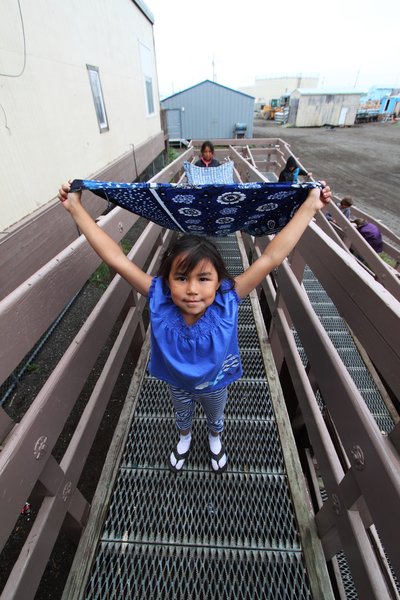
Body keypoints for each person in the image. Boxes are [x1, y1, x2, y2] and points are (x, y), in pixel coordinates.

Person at [58, 180, 331, 474]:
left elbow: (270, 257)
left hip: (216, 382)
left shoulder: (227, 299)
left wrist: (310, 206)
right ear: (167, 280)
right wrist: (76, 208)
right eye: (181, 278)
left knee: (216, 415)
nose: (191, 290)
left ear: (219, 281)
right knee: (182, 413)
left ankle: (215, 438)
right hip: (177, 383)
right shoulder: (159, 296)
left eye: (203, 279)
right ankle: (185, 437)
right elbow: (115, 258)